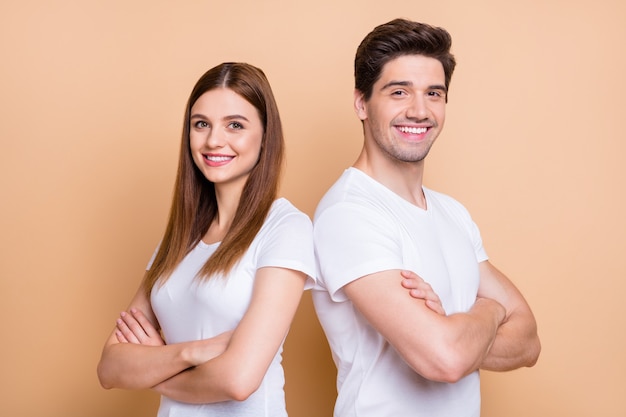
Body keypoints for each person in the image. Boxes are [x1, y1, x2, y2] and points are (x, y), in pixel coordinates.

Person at [312, 18, 541, 417]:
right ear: (361, 103)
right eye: (399, 92)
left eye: (433, 93)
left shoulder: (451, 212)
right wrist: (490, 310)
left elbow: (529, 343)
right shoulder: (349, 214)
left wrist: (454, 327)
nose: (419, 111)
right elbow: (446, 360)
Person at [97, 62, 316, 417]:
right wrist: (191, 353)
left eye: (235, 125)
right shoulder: (180, 239)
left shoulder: (286, 227)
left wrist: (153, 367)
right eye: (201, 124)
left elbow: (238, 380)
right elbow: (109, 368)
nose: (214, 140)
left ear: (265, 134)